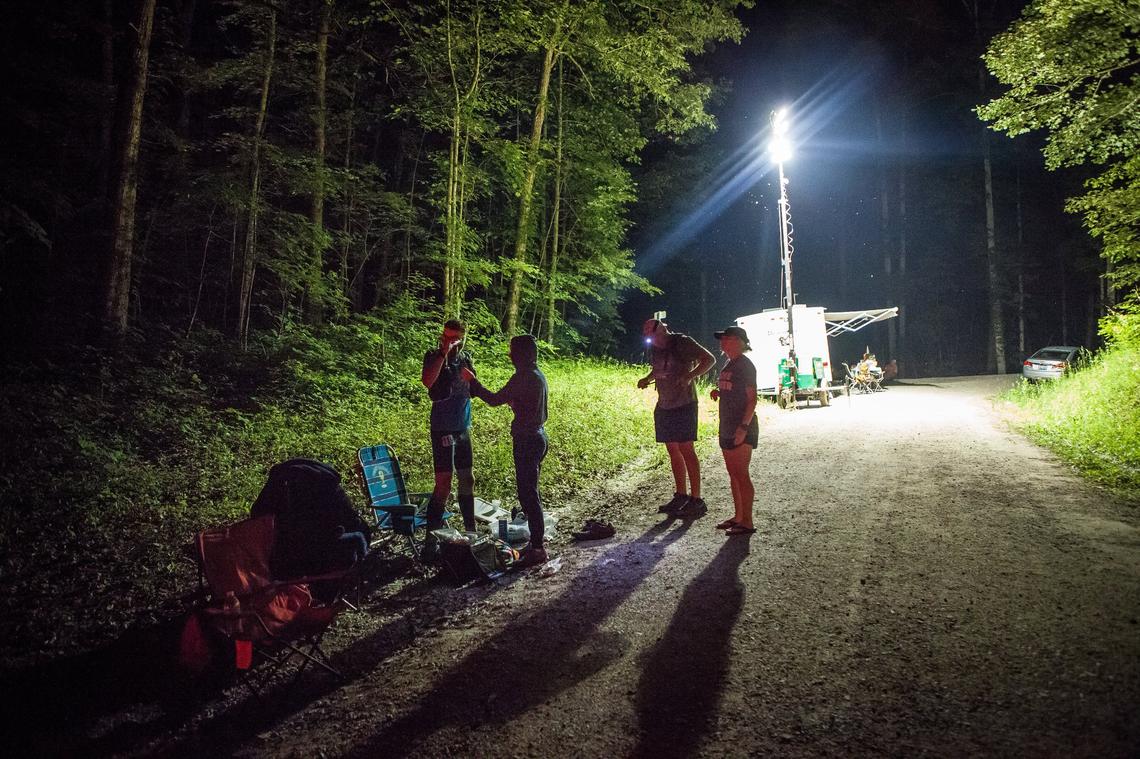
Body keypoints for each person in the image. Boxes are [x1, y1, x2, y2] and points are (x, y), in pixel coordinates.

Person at [461, 335, 550, 568]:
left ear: (520, 354)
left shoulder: (523, 377)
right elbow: (525, 402)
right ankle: (536, 545)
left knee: (529, 495)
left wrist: (473, 382)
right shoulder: (537, 375)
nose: (509, 355)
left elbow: (493, 399)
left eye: (512, 351)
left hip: (528, 440)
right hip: (538, 437)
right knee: (531, 493)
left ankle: (538, 548)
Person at [637, 318, 716, 518]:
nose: (648, 337)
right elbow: (659, 369)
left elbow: (709, 359)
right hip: (665, 404)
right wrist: (647, 379)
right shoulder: (656, 348)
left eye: (650, 333)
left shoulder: (682, 342)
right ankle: (681, 495)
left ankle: (697, 500)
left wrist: (690, 376)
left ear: (661, 331)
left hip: (684, 403)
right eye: (646, 333)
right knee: (672, 449)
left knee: (686, 448)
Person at [421, 319, 478, 547]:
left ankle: (471, 531)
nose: (451, 342)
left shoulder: (466, 358)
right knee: (443, 484)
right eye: (447, 337)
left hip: (463, 426)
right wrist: (443, 353)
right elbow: (427, 381)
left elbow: (474, 387)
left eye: (455, 338)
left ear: (462, 338)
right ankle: (430, 540)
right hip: (442, 427)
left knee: (467, 478)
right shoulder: (433, 356)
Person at [709, 326, 759, 536]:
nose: (722, 343)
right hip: (727, 426)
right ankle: (738, 517)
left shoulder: (745, 365)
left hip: (741, 427)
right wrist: (719, 391)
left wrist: (743, 427)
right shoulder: (730, 364)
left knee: (741, 474)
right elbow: (734, 389)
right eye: (722, 339)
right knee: (733, 475)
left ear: (739, 341)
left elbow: (751, 398)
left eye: (727, 339)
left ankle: (747, 522)